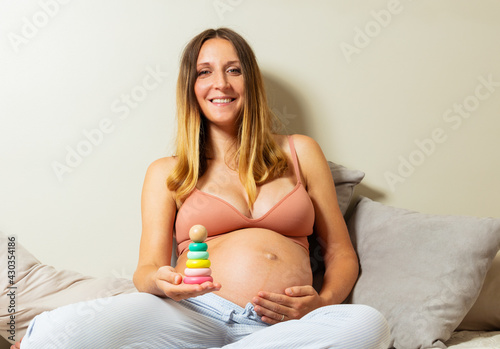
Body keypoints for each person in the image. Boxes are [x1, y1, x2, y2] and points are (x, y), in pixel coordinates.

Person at [15, 27, 390, 348]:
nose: (221, 84)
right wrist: (161, 281)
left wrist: (322, 303)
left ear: (250, 81)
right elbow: (147, 268)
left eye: (233, 70)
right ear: (191, 87)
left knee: (369, 325)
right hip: (192, 315)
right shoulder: (168, 172)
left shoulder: (300, 151)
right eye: (204, 72)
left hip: (284, 326)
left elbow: (341, 253)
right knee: (58, 333)